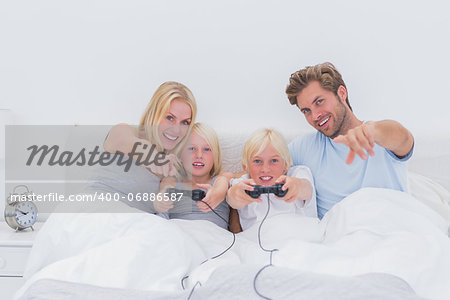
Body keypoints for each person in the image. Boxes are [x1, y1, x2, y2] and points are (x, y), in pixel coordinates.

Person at [284, 62, 414, 219]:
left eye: (319, 102)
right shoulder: (304, 147)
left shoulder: (382, 137)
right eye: (306, 111)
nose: (315, 116)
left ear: (341, 93)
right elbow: (259, 169)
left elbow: (404, 138)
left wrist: (372, 131)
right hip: (338, 238)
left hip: (390, 232)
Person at [227, 129, 317, 231]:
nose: (265, 169)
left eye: (274, 161)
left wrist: (296, 186)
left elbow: (306, 188)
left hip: (297, 239)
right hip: (257, 242)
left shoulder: (297, 174)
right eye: (257, 161)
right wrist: (235, 194)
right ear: (245, 166)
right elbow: (232, 199)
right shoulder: (243, 183)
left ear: (286, 164)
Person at [154, 123, 230, 229]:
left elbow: (226, 182)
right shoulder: (173, 180)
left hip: (214, 238)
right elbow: (165, 190)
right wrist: (161, 200)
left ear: (215, 155)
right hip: (180, 235)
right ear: (180, 155)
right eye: (191, 149)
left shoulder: (221, 179)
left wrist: (218, 193)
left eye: (207, 149)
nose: (199, 155)